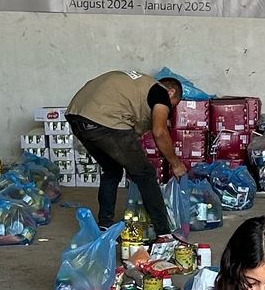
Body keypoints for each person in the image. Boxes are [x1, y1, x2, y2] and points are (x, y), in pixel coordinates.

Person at [66, 70, 187, 238]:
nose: (169, 109)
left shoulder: (136, 86)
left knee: (112, 170)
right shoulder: (160, 92)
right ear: (171, 92)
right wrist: (176, 163)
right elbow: (159, 131)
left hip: (77, 115)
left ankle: (104, 225)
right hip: (105, 120)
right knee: (145, 174)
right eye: (172, 105)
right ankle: (164, 234)